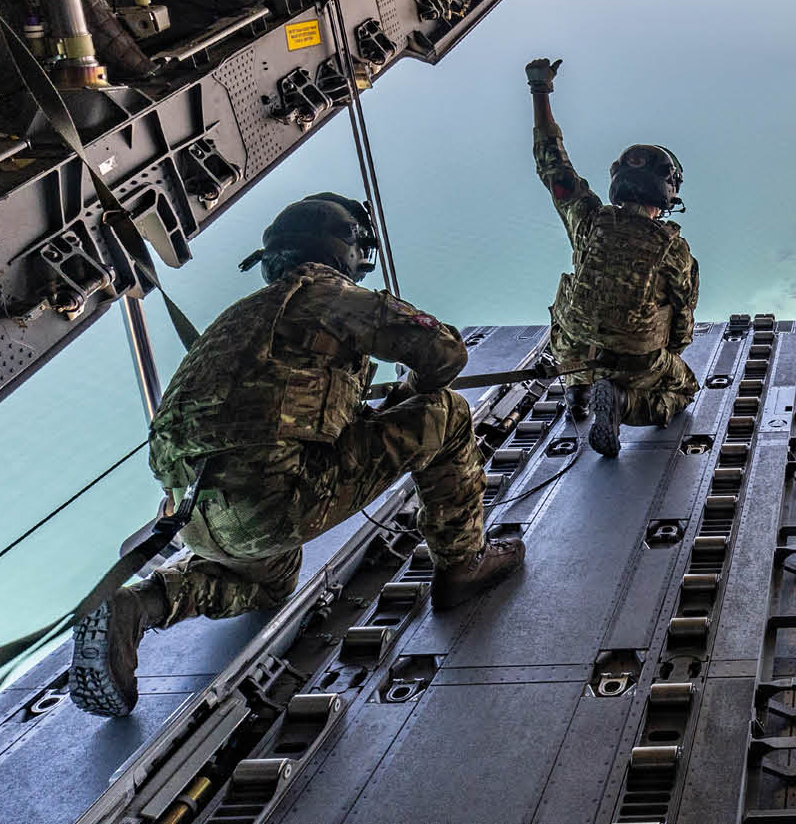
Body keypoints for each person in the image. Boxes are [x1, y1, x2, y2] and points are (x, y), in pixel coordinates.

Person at [69, 194, 523, 718]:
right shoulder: (326, 292)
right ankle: (464, 564)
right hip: (273, 501)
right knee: (447, 413)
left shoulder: (238, 320)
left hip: (191, 516)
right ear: (342, 248)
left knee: (271, 580)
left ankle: (138, 605)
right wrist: (409, 396)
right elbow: (445, 354)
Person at [526, 58, 699, 457]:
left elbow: (552, 164)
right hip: (632, 362)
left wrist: (540, 90)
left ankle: (578, 392)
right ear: (666, 191)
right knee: (684, 388)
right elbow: (681, 331)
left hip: (571, 353)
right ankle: (622, 403)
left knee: (576, 320)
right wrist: (662, 357)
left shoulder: (587, 219)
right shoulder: (675, 250)